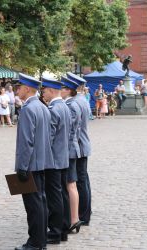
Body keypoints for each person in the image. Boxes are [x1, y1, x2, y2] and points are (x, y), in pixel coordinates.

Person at [14, 73, 54, 250]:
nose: (17, 90)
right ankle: (41, 240)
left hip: (30, 164)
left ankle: (35, 243)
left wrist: (22, 168)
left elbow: (26, 141)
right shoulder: (42, 106)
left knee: (33, 206)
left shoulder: (28, 109)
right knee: (41, 202)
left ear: (27, 89)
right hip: (41, 162)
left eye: (19, 87)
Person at [41, 77, 71, 245]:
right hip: (63, 157)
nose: (43, 93)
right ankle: (64, 228)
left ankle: (55, 231)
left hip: (53, 159)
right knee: (62, 195)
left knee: (54, 197)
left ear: (51, 91)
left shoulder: (53, 109)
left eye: (44, 90)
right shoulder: (64, 106)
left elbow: (49, 138)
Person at [67, 72, 92, 226]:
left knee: (80, 181)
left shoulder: (76, 102)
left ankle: (83, 213)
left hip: (80, 144)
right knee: (83, 180)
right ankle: (85, 211)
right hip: (83, 143)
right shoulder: (82, 100)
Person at [60, 76, 83, 234]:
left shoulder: (70, 106)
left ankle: (73, 219)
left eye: (62, 88)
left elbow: (68, 131)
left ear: (68, 90)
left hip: (68, 149)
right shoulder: (71, 104)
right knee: (71, 184)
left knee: (70, 185)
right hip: (72, 148)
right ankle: (73, 218)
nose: (59, 91)